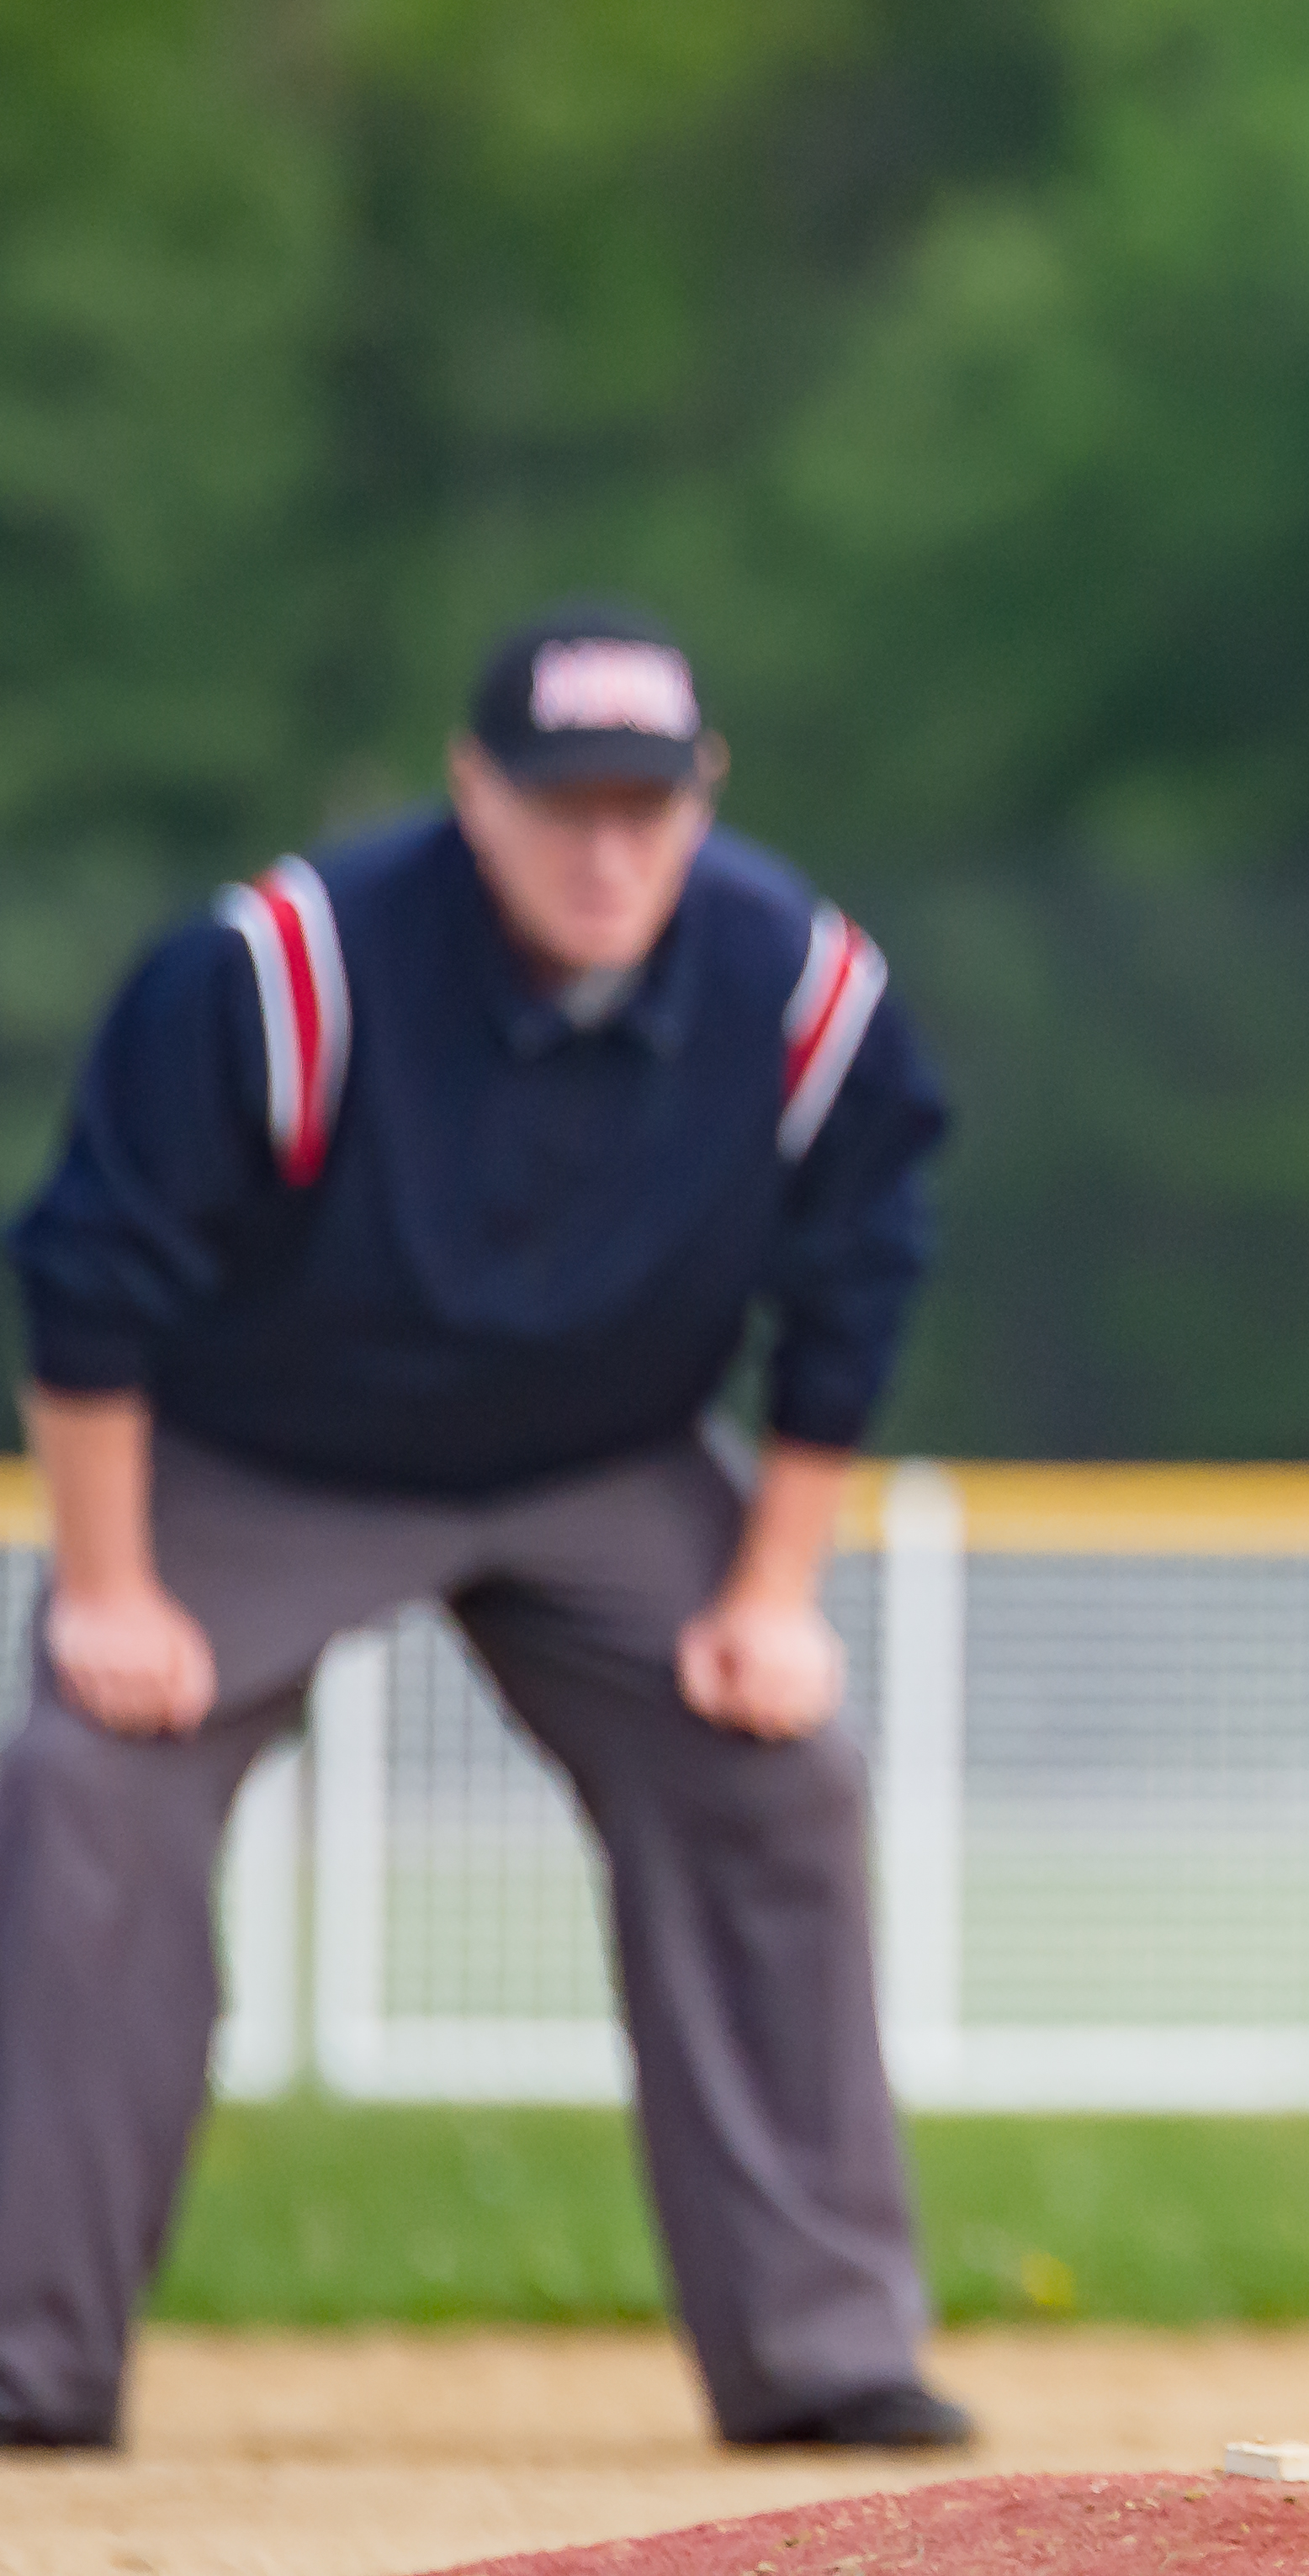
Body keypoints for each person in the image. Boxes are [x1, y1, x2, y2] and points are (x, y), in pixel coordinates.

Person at [0, 605, 967, 2456]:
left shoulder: (800, 985)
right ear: (471, 796)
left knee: (777, 1773)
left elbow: (857, 1274)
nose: (606, 850)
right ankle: (26, 2362)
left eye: (645, 807)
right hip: (268, 1450)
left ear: (704, 802)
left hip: (603, 1455)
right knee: (83, 1789)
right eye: (559, 806)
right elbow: (88, 1274)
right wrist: (109, 1587)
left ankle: (823, 2355)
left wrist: (769, 1593)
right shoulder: (289, 967)